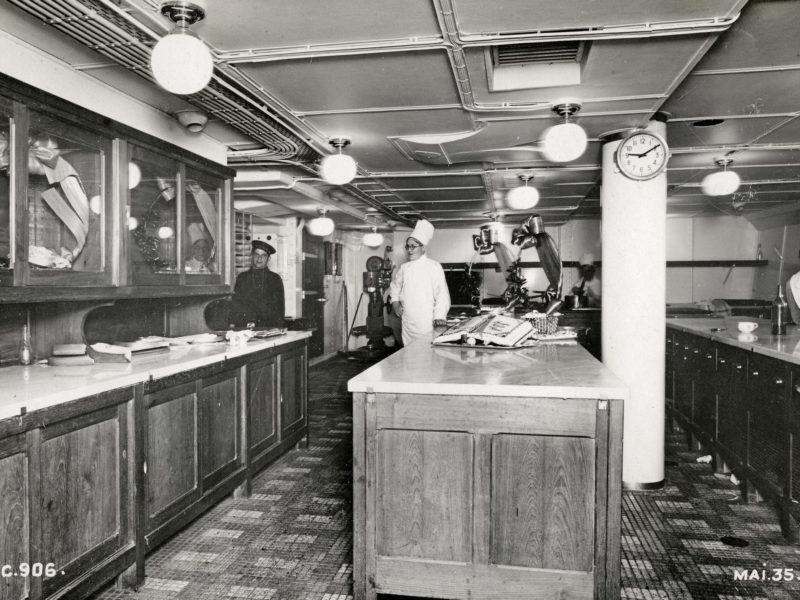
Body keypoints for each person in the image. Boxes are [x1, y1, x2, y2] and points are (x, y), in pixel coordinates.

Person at [389, 219, 451, 346]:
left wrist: (439, 316)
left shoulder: (434, 266)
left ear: (423, 248)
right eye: (408, 246)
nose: (410, 250)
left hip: (427, 323)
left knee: (427, 355)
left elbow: (442, 294)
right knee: (409, 355)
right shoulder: (404, 268)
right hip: (408, 323)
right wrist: (395, 304)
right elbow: (395, 288)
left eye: (413, 246)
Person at [231, 239, 285, 328]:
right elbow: (236, 305)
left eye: (263, 255)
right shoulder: (242, 277)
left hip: (268, 328)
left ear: (268, 258)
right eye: (256, 254)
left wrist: (277, 329)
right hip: (245, 327)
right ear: (252, 256)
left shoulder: (275, 279)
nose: (259, 258)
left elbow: (279, 310)